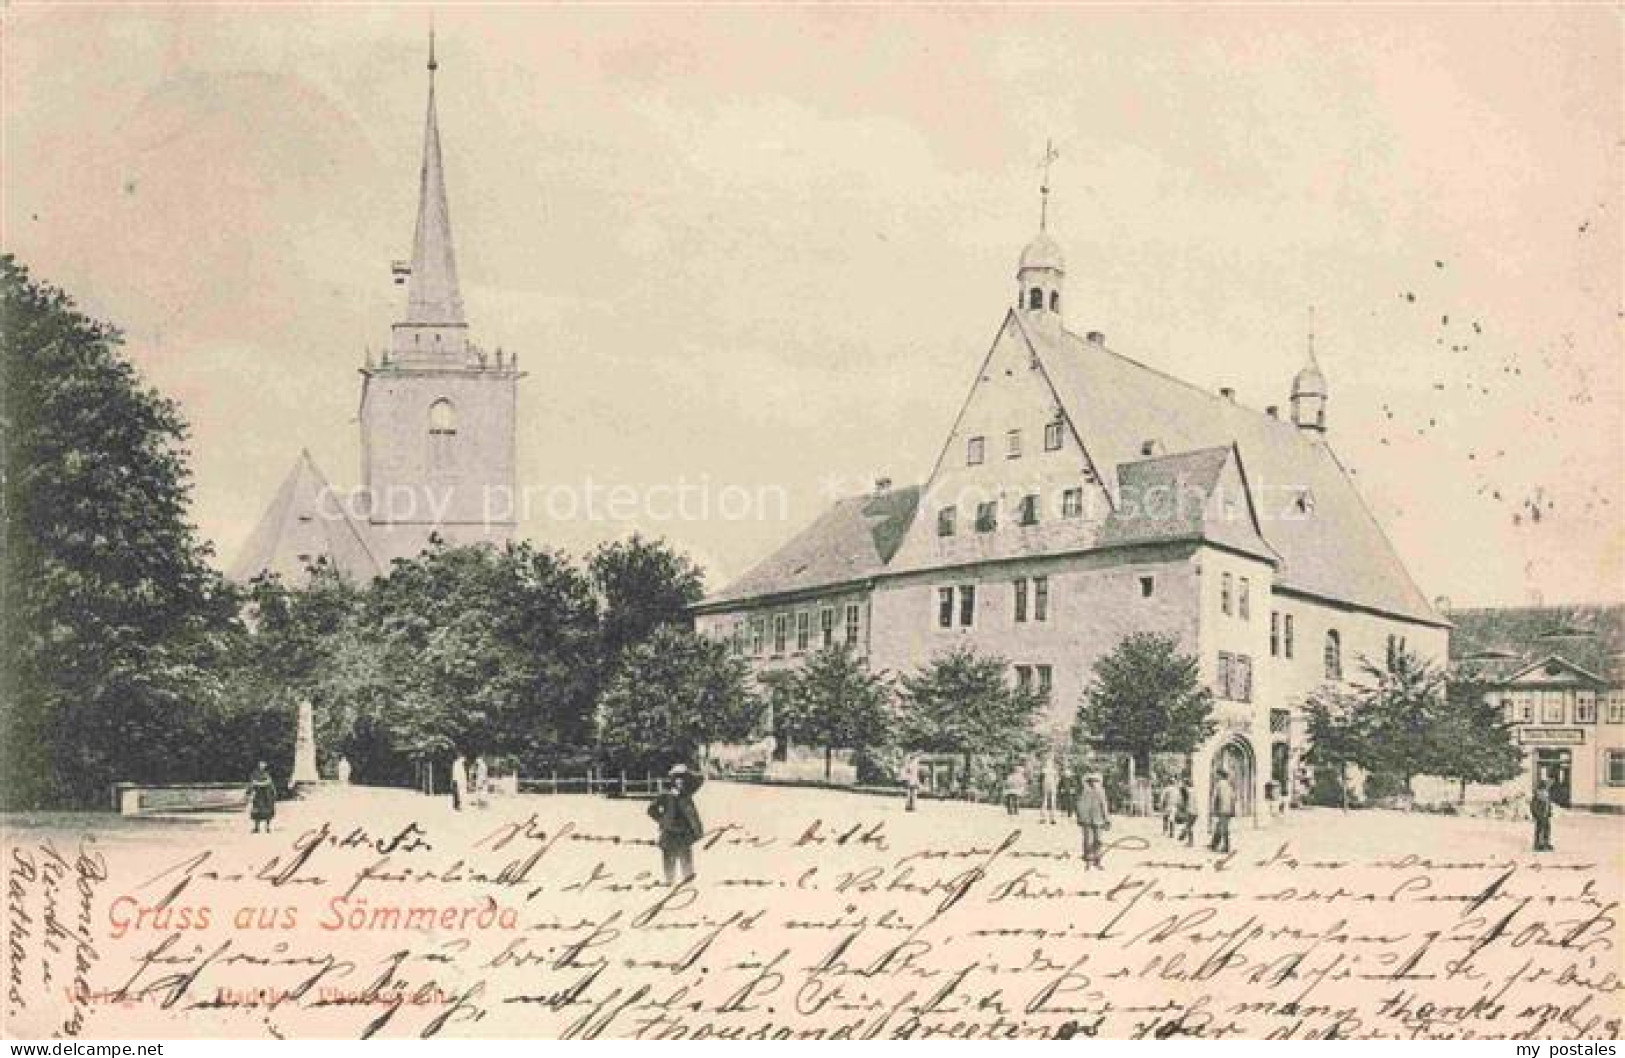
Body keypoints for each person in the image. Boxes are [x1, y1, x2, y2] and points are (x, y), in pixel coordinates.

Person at [648, 763, 705, 885]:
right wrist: (662, 820)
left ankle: (687, 888)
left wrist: (687, 772)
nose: (680, 781)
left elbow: (701, 779)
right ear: (673, 780)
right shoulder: (665, 794)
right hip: (669, 834)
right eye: (677, 778)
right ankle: (670, 887)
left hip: (684, 836)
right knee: (669, 867)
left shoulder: (686, 796)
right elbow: (651, 810)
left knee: (687, 869)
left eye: (683, 778)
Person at [1074, 772, 1111, 868]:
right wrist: (1080, 817)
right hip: (1087, 820)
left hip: (1098, 820)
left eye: (1096, 781)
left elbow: (1104, 806)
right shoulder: (1084, 792)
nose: (1094, 783)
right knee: (1088, 840)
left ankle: (1097, 859)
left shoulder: (1101, 792)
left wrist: (1107, 819)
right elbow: (1079, 806)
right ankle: (1089, 859)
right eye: (1092, 781)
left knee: (1098, 840)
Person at [1210, 767, 1237, 854]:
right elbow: (1233, 797)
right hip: (1228, 809)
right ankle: (1214, 844)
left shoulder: (1219, 784)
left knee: (1223, 828)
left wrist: (1214, 809)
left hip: (1222, 809)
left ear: (1220, 775)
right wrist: (1233, 810)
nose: (1215, 776)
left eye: (1216, 774)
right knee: (1219, 826)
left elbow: (1216, 797)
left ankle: (1226, 847)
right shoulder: (1229, 785)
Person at [247, 762, 277, 834]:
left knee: (268, 811)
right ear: (259, 765)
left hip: (267, 795)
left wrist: (274, 791)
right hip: (258, 795)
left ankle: (267, 827)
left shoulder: (267, 774)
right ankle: (256, 827)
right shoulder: (255, 774)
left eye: (264, 765)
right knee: (257, 811)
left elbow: (270, 783)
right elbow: (252, 783)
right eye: (261, 764)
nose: (262, 766)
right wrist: (249, 791)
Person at [1531, 779, 1554, 852]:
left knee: (1547, 829)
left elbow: (1548, 805)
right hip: (1540, 816)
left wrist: (1549, 812)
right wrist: (1537, 814)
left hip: (1545, 815)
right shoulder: (1538, 796)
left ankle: (1545, 843)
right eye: (1546, 786)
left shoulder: (1545, 795)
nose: (1547, 788)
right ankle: (1538, 844)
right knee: (1540, 829)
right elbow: (1534, 807)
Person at [1176, 775, 1196, 846]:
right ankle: (1187, 839)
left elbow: (1184, 800)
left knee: (1188, 826)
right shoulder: (1194, 790)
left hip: (1190, 810)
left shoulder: (1187, 791)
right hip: (1195, 811)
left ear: (1186, 784)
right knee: (1189, 826)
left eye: (1184, 783)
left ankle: (1189, 842)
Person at [1038, 755, 1059, 825]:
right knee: (1045, 802)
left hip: (1051, 786)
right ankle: (1044, 818)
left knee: (1051, 802)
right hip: (1047, 786)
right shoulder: (1045, 770)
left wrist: (1056, 785)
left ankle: (1052, 818)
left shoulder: (1053, 771)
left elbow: (1057, 779)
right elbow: (1041, 779)